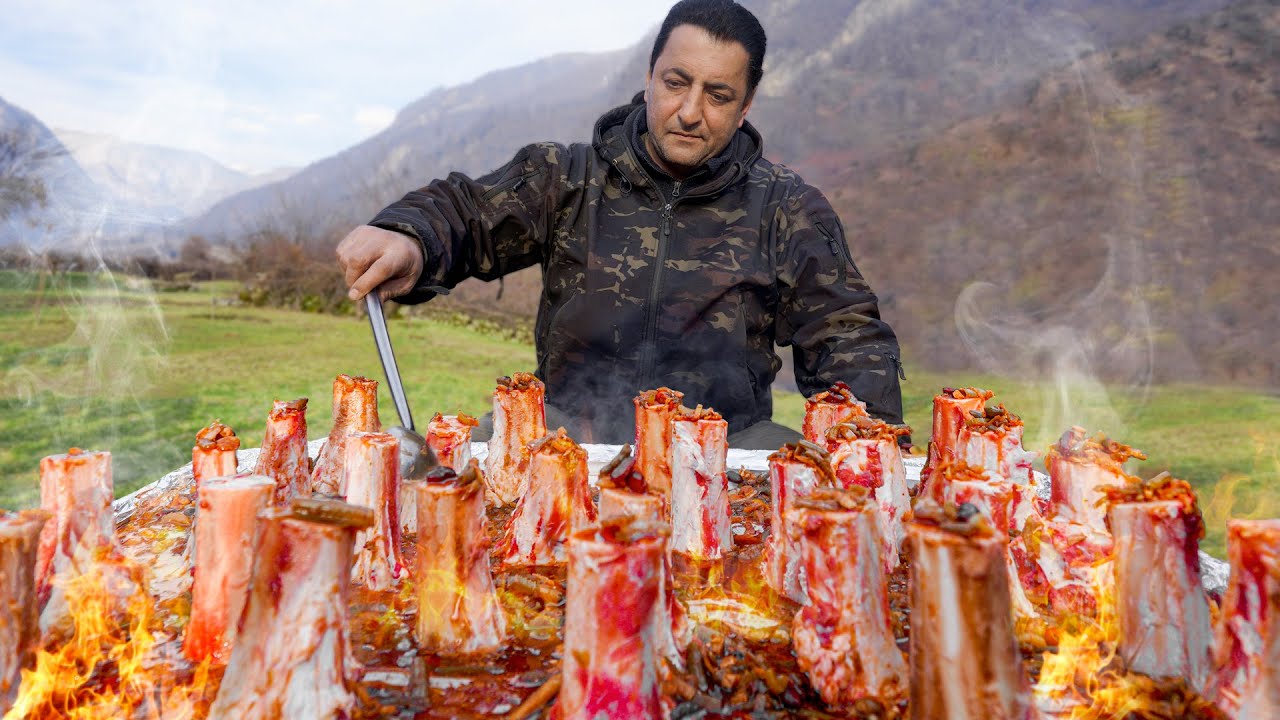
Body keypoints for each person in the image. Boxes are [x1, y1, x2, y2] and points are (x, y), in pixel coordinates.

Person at [336, 0, 905, 449]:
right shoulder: (565, 176)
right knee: (462, 485)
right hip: (565, 430)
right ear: (650, 76)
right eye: (676, 82)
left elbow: (847, 334)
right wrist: (407, 235)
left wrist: (871, 448)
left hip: (728, 442)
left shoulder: (787, 208)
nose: (688, 111)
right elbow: (465, 211)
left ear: (745, 105)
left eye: (718, 94)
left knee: (801, 490)